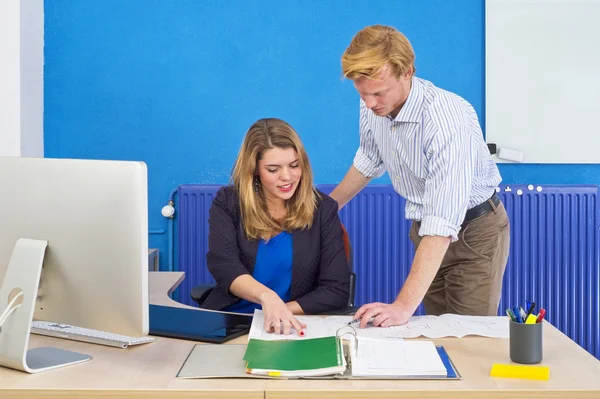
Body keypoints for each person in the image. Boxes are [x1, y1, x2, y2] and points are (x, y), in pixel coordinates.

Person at [329, 25, 510, 329]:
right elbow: (370, 159)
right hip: (426, 229)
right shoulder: (374, 104)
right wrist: (326, 210)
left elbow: (442, 222)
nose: (370, 103)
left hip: (473, 232)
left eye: (378, 93)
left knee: (466, 337)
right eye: (363, 94)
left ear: (407, 72)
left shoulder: (447, 120)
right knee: (438, 330)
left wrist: (401, 307)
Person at [201, 117, 350, 335]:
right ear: (254, 171)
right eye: (273, 169)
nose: (287, 177)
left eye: (294, 165)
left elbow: (336, 290)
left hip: (289, 325)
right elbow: (224, 266)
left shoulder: (323, 209)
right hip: (231, 321)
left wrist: (278, 312)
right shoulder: (229, 202)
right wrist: (267, 297)